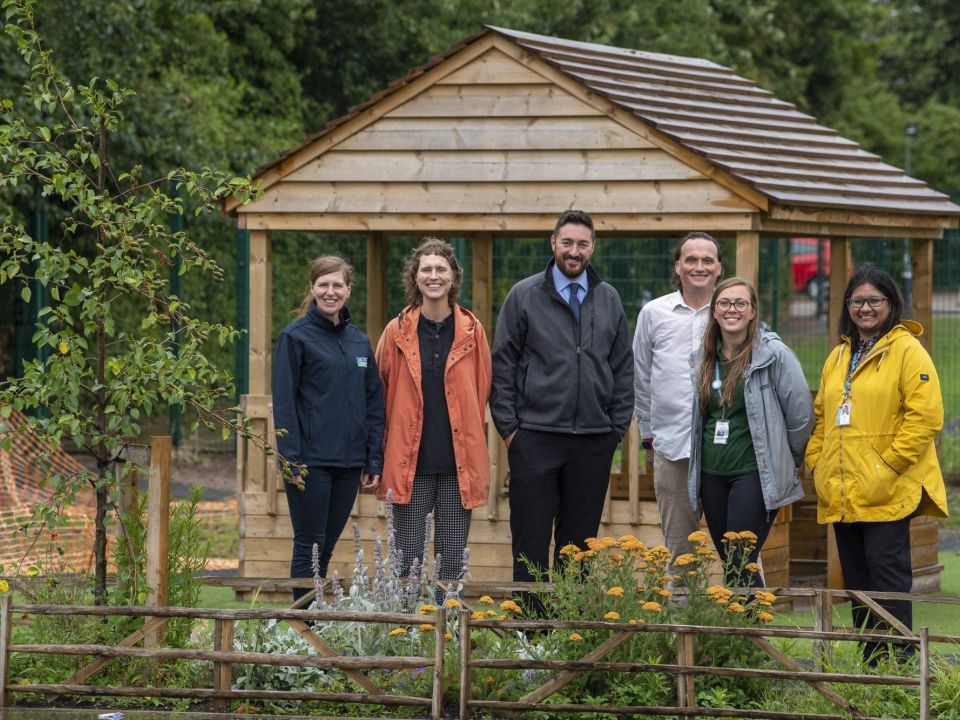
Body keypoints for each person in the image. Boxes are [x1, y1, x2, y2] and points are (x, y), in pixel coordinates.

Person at [806, 264, 947, 663]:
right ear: (847, 305)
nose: (864, 308)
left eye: (873, 300)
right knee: (858, 585)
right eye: (857, 301)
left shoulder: (906, 350)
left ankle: (900, 670)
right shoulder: (839, 355)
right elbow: (822, 415)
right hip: (843, 489)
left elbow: (925, 417)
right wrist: (817, 461)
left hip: (886, 489)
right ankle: (871, 668)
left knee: (888, 583)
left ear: (890, 303)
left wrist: (888, 466)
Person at [491, 209, 634, 592]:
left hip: (592, 440)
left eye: (582, 244)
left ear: (592, 248)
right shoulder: (524, 296)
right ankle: (531, 633)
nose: (574, 251)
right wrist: (511, 431)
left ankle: (571, 630)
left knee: (579, 546)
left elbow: (622, 367)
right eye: (567, 242)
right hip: (534, 437)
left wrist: (614, 430)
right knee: (530, 542)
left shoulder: (608, 299)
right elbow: (502, 365)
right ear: (553, 242)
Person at [375, 238, 492, 588]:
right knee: (406, 565)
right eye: (426, 269)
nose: (433, 275)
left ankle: (447, 636)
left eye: (441, 269)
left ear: (453, 277)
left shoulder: (473, 331)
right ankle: (407, 636)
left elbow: (482, 389)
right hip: (410, 466)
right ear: (415, 277)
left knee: (451, 566)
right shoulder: (396, 332)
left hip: (459, 467)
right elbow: (379, 392)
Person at [272, 256, 385, 601]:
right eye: (324, 285)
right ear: (313, 288)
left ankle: (313, 621)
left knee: (327, 545)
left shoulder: (359, 342)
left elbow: (373, 403)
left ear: (349, 290)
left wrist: (373, 460)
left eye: (338, 285)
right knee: (309, 545)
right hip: (309, 463)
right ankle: (306, 629)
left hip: (348, 465)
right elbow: (285, 404)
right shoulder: (294, 338)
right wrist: (291, 461)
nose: (330, 291)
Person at [687, 278, 813, 588]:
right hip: (712, 474)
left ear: (753, 311)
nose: (733, 310)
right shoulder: (703, 358)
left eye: (740, 303)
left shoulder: (774, 355)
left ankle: (748, 633)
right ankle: (742, 632)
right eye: (725, 303)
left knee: (741, 559)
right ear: (714, 311)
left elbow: (801, 415)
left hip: (754, 473)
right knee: (731, 564)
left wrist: (788, 459)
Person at [633, 232, 722, 558]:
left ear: (718, 268)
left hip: (725, 451)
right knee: (681, 552)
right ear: (678, 266)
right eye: (691, 259)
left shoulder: (731, 312)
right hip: (671, 447)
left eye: (707, 260)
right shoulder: (654, 314)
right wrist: (649, 438)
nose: (699, 266)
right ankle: (684, 609)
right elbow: (641, 380)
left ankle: (750, 609)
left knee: (740, 548)